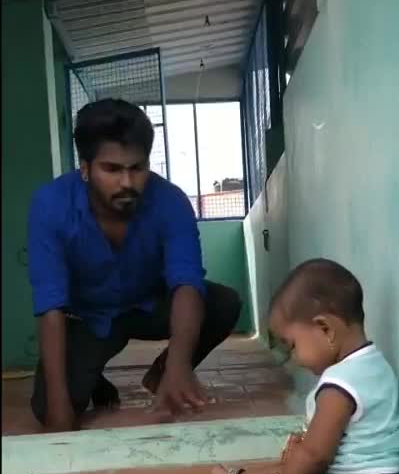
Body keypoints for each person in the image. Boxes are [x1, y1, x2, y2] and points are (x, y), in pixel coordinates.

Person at [140, 258, 399, 474]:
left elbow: (316, 456)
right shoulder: (368, 364)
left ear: (325, 329)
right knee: (283, 471)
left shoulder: (341, 383)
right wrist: (295, 460)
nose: (293, 358)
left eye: (292, 345)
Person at [27, 99, 241, 432]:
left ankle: (162, 376)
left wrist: (179, 364)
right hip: (88, 319)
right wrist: (59, 409)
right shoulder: (50, 205)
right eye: (112, 169)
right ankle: (93, 378)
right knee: (47, 407)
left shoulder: (170, 201)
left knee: (223, 303)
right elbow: (50, 305)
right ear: (85, 168)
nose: (127, 182)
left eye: (137, 168)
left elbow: (187, 282)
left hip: (148, 305)